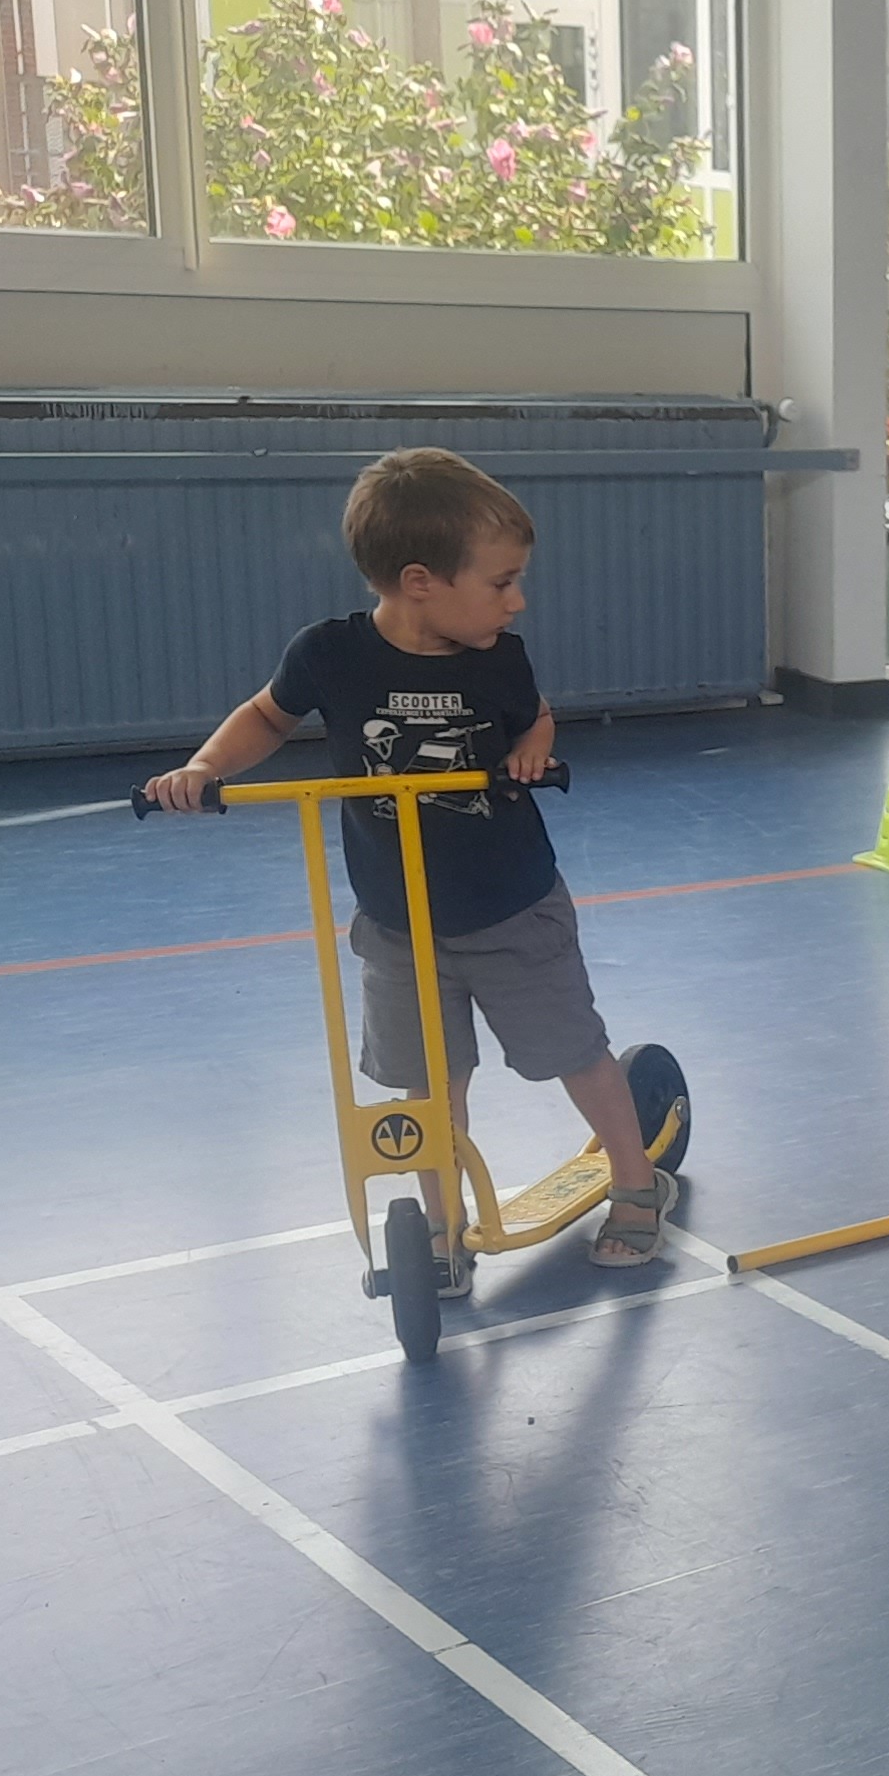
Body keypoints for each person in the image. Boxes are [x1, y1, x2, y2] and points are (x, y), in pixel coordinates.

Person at [151, 448, 669, 1273]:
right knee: (428, 1086)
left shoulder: (498, 658)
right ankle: (441, 1224)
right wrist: (206, 767)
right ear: (421, 581)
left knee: (570, 1050)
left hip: (510, 909)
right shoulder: (328, 654)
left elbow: (535, 716)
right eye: (501, 582)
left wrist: (532, 748)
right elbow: (268, 715)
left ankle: (637, 1181)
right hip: (396, 923)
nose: (517, 599)